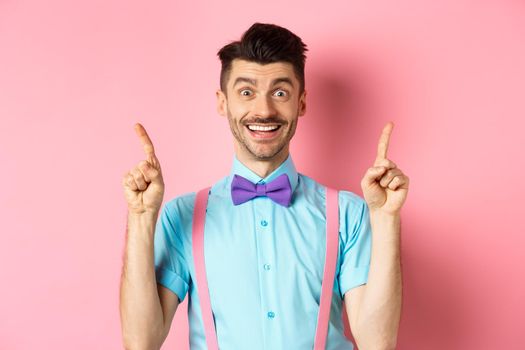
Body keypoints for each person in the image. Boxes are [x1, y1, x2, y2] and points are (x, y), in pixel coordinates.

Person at [120, 22, 409, 350]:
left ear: (301, 103)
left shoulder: (349, 212)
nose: (264, 110)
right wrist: (141, 218)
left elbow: (377, 343)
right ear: (222, 102)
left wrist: (386, 220)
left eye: (280, 92)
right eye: (246, 92)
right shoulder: (182, 215)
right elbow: (141, 342)